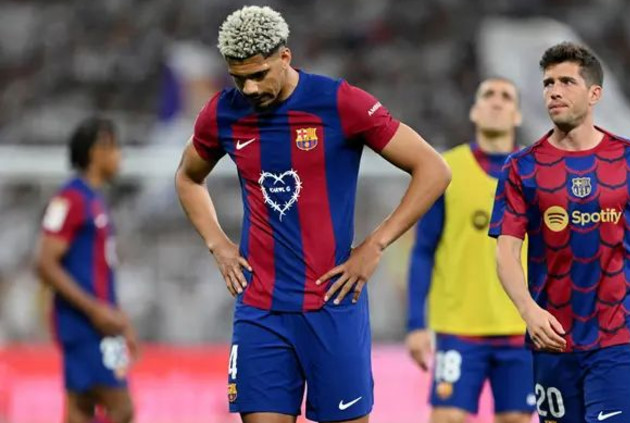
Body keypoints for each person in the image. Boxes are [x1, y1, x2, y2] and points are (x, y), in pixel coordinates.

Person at [174, 6, 451, 423]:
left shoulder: (339, 102)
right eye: (238, 78)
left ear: (285, 57)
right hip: (260, 309)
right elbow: (188, 177)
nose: (249, 88)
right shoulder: (223, 113)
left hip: (332, 303)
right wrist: (218, 243)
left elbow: (433, 169)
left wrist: (375, 244)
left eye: (259, 74)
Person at [489, 42, 630, 423]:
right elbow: (506, 253)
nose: (554, 91)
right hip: (552, 339)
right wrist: (529, 311)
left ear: (595, 94)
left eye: (566, 82)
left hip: (617, 336)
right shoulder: (521, 168)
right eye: (548, 83)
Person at [406, 78, 534, 423]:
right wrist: (416, 323)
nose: (496, 101)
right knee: (447, 416)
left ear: (517, 115)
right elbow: (423, 250)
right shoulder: (445, 170)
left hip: (520, 325)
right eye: (488, 95)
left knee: (516, 420)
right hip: (458, 327)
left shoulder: (537, 173)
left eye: (506, 96)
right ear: (475, 111)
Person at [35, 117, 137, 423]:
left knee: (80, 409)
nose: (120, 155)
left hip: (104, 324)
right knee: (121, 407)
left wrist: (121, 322)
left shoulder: (96, 200)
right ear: (97, 151)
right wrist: (95, 311)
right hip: (84, 324)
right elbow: (45, 263)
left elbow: (102, 271)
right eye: (115, 147)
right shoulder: (70, 198)